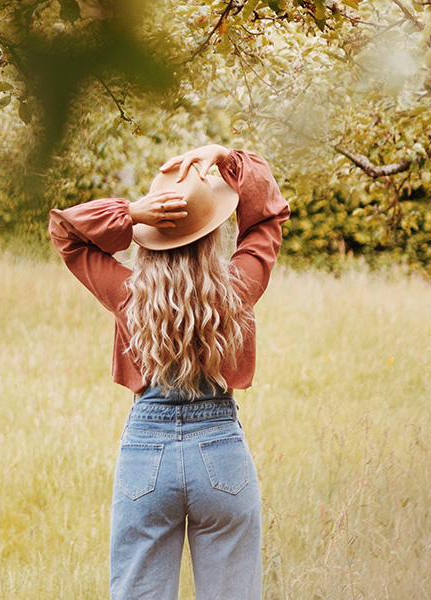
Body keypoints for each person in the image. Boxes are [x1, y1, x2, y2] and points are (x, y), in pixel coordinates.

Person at [47, 144, 290, 600]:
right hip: (222, 451)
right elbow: (268, 217)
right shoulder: (236, 289)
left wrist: (133, 212)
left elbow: (66, 232)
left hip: (146, 454)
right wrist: (226, 158)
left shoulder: (129, 294)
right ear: (213, 233)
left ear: (152, 236)